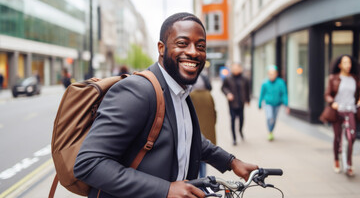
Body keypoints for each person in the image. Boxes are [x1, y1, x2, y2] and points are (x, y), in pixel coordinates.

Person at [74, 12, 258, 198]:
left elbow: (189, 137)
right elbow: (89, 163)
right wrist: (166, 190)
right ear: (161, 48)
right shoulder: (137, 91)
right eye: (182, 43)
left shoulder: (179, 90)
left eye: (200, 46)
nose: (194, 52)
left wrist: (231, 162)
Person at [324, 55, 360, 177]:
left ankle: (349, 163)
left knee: (352, 137)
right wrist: (332, 102)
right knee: (338, 137)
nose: (348, 65)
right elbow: (328, 94)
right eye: (345, 63)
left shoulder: (355, 79)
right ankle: (336, 160)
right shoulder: (333, 78)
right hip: (337, 110)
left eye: (349, 62)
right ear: (339, 65)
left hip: (351, 110)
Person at [190, 71, 216, 178]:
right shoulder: (208, 95)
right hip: (207, 132)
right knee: (204, 158)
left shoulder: (190, 96)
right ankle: (203, 180)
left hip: (194, 133)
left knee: (195, 159)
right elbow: (214, 113)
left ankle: (198, 181)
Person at [221, 63, 250, 145]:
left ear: (240, 69)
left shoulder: (245, 79)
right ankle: (234, 138)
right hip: (232, 104)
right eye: (233, 68)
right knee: (233, 120)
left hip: (241, 103)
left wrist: (248, 100)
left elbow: (247, 90)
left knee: (241, 120)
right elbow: (223, 88)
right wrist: (228, 93)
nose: (235, 70)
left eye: (237, 68)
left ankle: (240, 131)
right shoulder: (228, 78)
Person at [258, 65, 289, 141]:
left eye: (273, 73)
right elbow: (261, 94)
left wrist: (286, 105)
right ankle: (269, 131)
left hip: (277, 104)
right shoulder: (265, 83)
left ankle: (271, 131)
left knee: (274, 119)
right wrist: (259, 104)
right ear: (268, 74)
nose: (272, 75)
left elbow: (284, 93)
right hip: (268, 103)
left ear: (276, 74)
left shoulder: (281, 82)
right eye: (270, 73)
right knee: (269, 117)